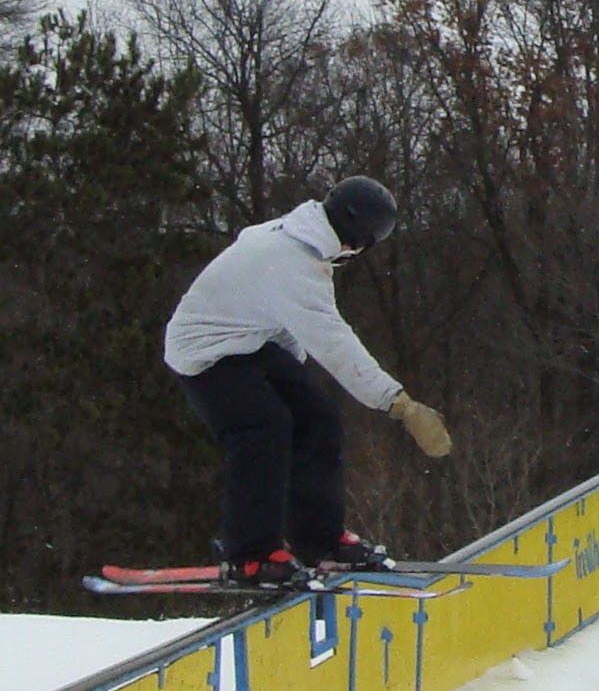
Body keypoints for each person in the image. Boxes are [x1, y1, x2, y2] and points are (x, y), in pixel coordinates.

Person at [161, 175, 453, 585]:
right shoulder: (296, 264)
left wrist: (296, 383)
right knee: (263, 427)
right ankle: (251, 553)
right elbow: (336, 345)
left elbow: (284, 321)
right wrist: (399, 404)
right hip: (204, 352)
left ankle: (321, 541)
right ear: (360, 240)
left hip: (249, 341)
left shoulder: (299, 237)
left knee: (318, 417)